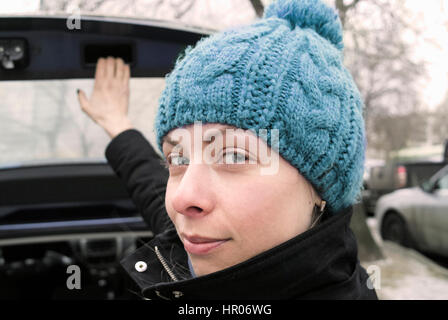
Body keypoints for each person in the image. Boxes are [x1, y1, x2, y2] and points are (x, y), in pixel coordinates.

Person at [77, 0, 378, 300]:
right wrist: (118, 126)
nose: (182, 199)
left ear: (320, 189)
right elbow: (151, 186)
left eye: (233, 155)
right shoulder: (216, 245)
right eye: (178, 158)